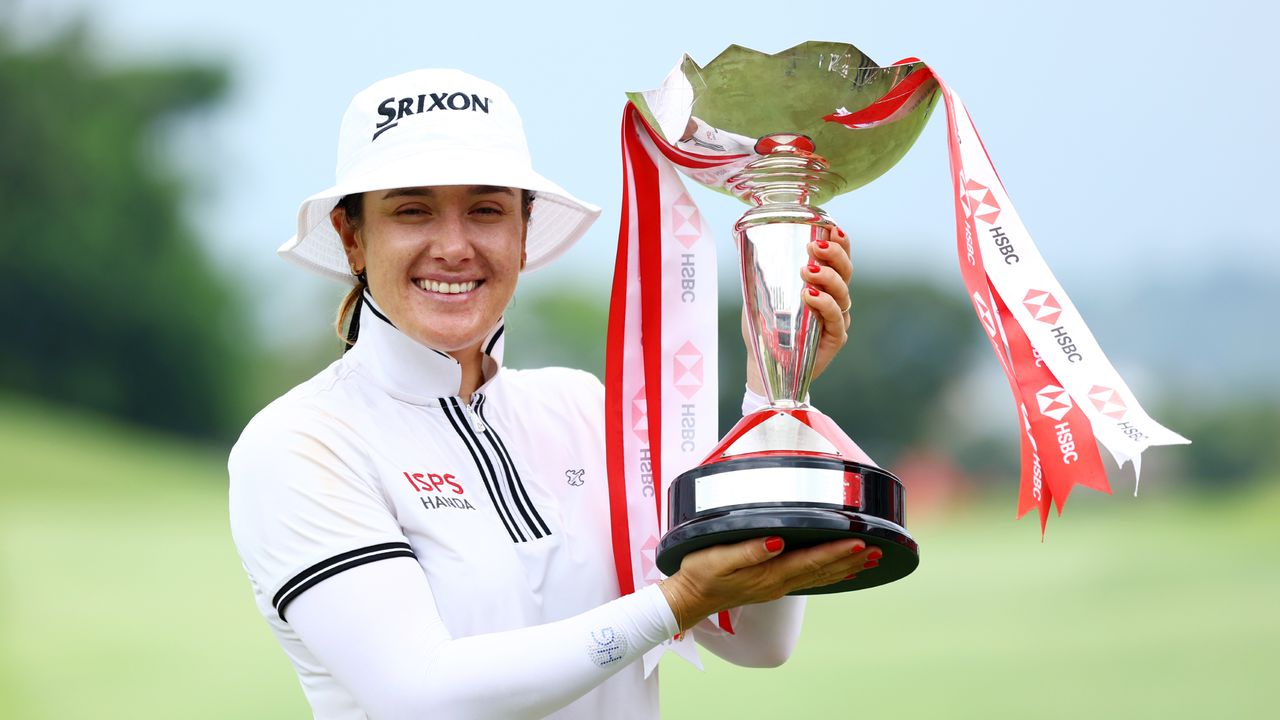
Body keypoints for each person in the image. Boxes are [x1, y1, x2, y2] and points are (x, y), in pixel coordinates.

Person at [228, 68, 881, 720]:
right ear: (353, 237)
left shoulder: (585, 410)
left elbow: (760, 643)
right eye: (411, 210)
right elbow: (421, 697)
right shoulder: (301, 442)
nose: (454, 247)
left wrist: (774, 390)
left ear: (522, 230)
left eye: (486, 210)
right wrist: (675, 601)